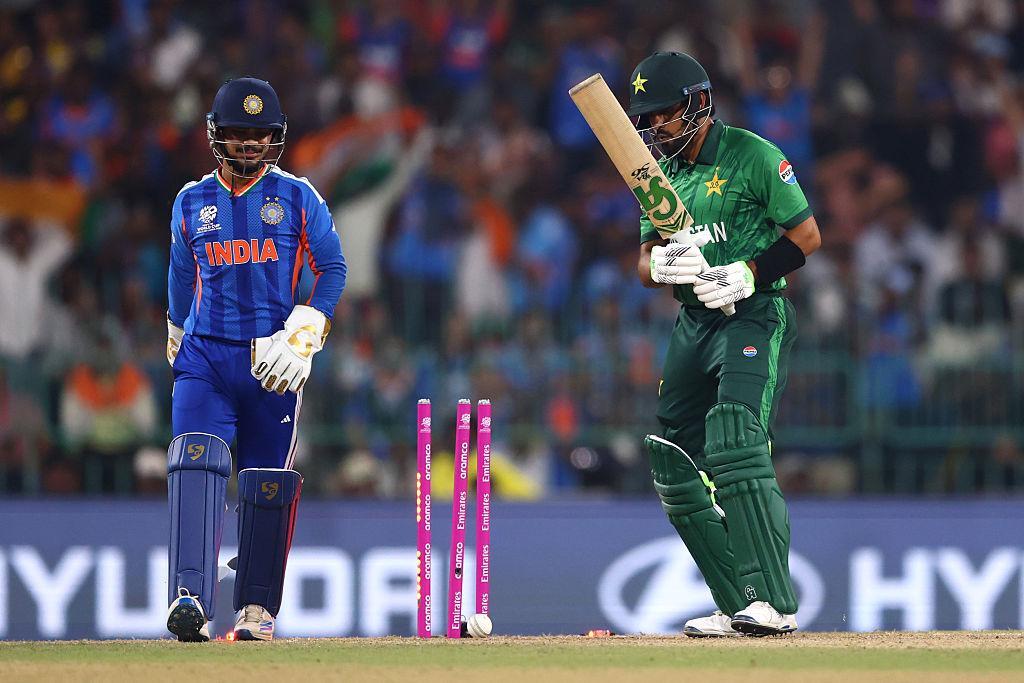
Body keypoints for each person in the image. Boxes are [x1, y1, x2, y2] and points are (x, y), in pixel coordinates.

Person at [630, 52, 820, 636]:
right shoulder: (658, 178)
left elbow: (807, 236)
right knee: (671, 456)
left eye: (665, 114)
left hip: (752, 314)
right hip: (693, 323)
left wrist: (748, 273)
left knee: (735, 434)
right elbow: (642, 260)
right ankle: (737, 600)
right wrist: (661, 264)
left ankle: (775, 603)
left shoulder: (752, 154)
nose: (656, 127)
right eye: (649, 119)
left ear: (699, 102)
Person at [164, 78, 346, 642]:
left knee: (267, 483)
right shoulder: (191, 201)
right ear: (217, 135)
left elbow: (332, 269)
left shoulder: (297, 196)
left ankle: (257, 610)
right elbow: (179, 275)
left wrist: (309, 326)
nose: (249, 146)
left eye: (261, 136)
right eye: (240, 135)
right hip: (207, 356)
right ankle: (190, 596)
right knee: (194, 459)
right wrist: (175, 326)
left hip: (273, 362)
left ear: (277, 139)